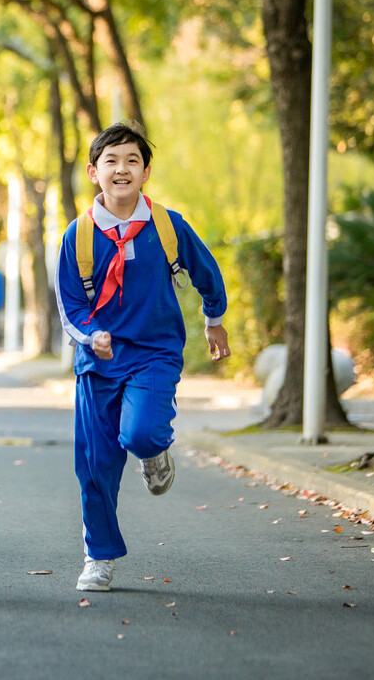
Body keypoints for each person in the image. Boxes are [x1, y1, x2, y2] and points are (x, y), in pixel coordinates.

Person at [55, 121, 230, 592]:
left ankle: (154, 453)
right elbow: (69, 306)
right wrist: (92, 337)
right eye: (111, 161)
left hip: (155, 351)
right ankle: (99, 555)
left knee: (142, 432)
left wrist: (215, 318)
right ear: (94, 172)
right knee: (95, 464)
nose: (122, 169)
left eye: (132, 160)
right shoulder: (78, 236)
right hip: (98, 362)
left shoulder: (167, 226)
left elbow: (206, 271)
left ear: (146, 171)